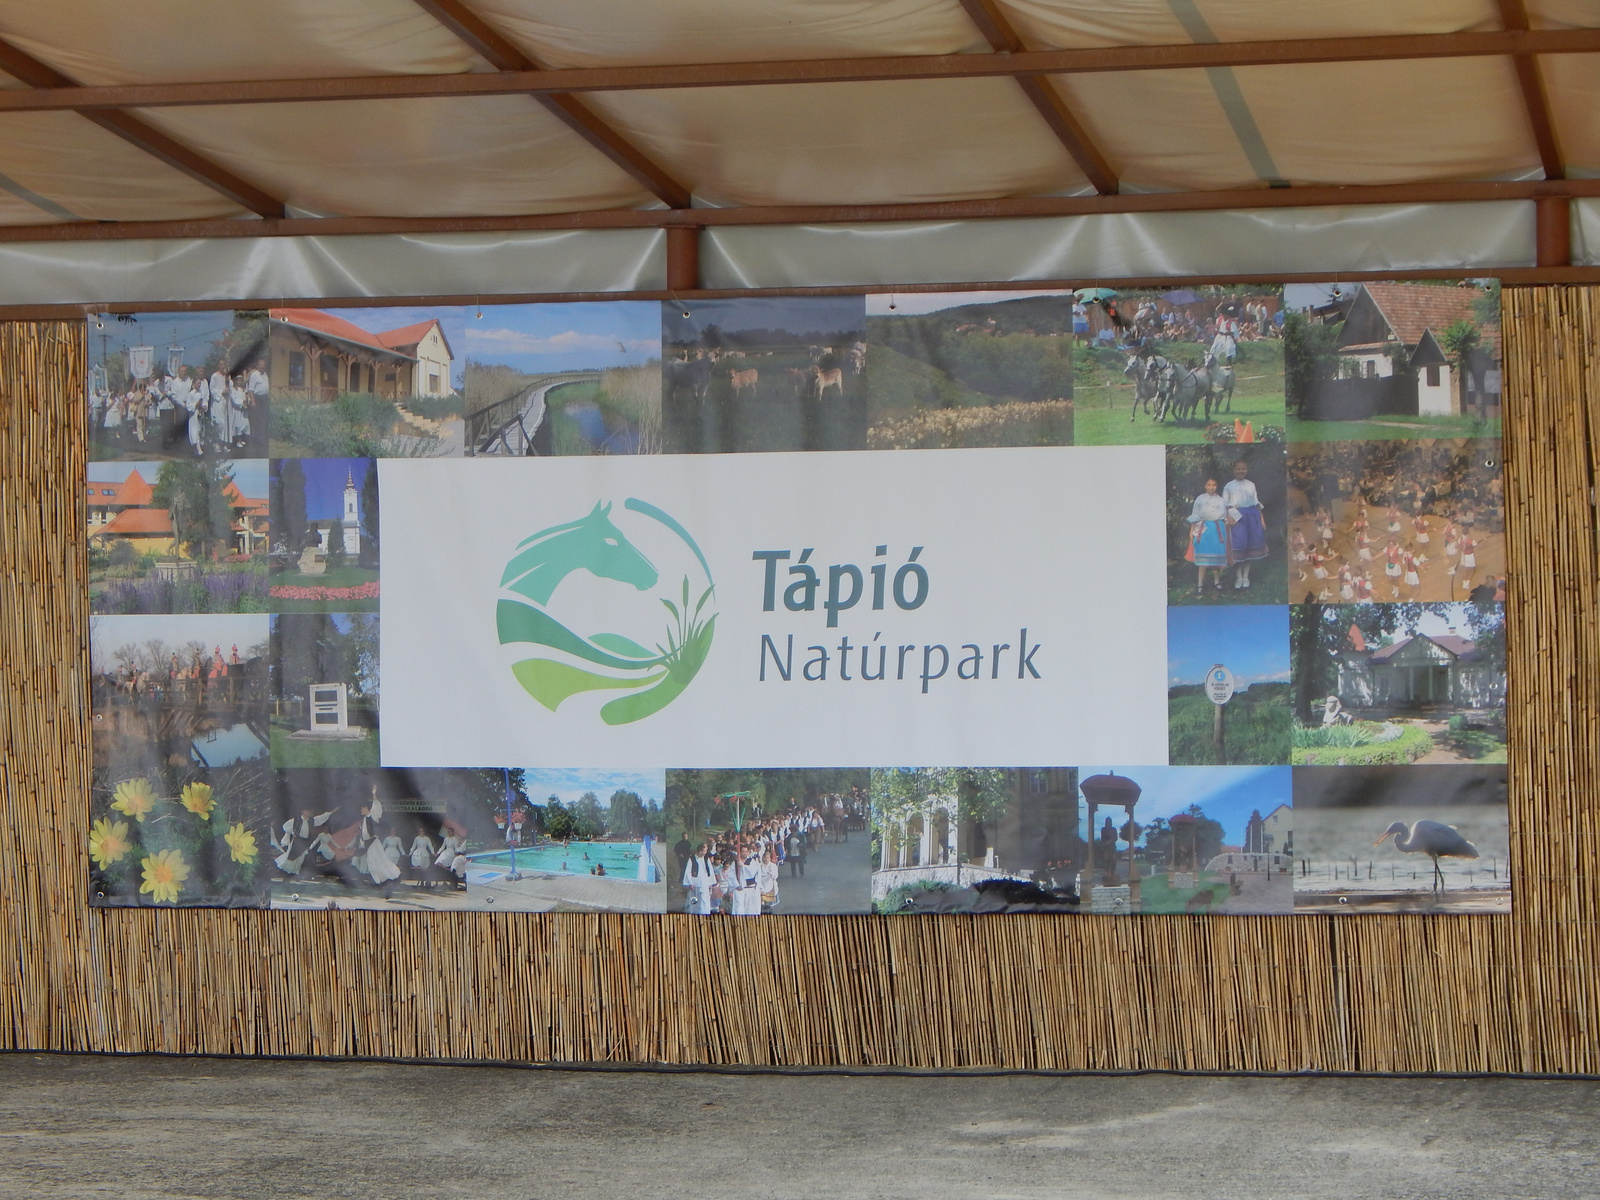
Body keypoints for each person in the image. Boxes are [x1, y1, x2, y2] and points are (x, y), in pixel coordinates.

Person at [1221, 459, 1267, 589]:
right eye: (1238, 469)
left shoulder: (1251, 484)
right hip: (1237, 517)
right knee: (1239, 546)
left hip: (1251, 516)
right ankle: (1238, 577)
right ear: (1234, 470)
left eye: (1243, 469)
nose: (1241, 471)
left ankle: (1246, 577)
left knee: (1250, 547)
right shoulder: (1229, 486)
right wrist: (1227, 518)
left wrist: (1261, 520)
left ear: (1246, 470)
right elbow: (1224, 504)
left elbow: (1256, 503)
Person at [1184, 477, 1231, 594]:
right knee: (1203, 559)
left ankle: (1217, 582)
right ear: (1205, 486)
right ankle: (1200, 584)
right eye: (1209, 485)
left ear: (1217, 486)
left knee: (1216, 557)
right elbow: (1195, 515)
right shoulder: (1200, 499)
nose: (1211, 487)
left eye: (1214, 485)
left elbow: (1225, 516)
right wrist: (1192, 531)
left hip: (1217, 529)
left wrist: (1227, 528)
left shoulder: (1221, 500)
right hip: (1204, 529)